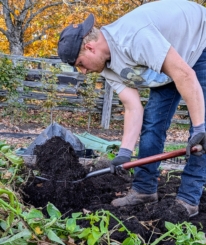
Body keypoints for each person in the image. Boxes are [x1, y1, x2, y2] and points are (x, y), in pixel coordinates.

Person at [58, 0, 206, 217]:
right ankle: (144, 189)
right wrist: (124, 154)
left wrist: (200, 126)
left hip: (199, 44)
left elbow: (184, 74)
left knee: (200, 134)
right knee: (153, 123)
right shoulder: (105, 64)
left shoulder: (134, 38)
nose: (83, 71)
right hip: (171, 62)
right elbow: (132, 105)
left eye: (80, 63)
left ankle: (188, 199)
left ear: (90, 48)